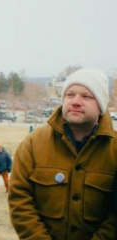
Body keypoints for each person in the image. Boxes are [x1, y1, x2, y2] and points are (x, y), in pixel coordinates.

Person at [8, 69, 117, 239]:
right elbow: (19, 201)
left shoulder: (114, 149)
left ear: (101, 105)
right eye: (70, 94)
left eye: (86, 96)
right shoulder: (33, 144)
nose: (76, 101)